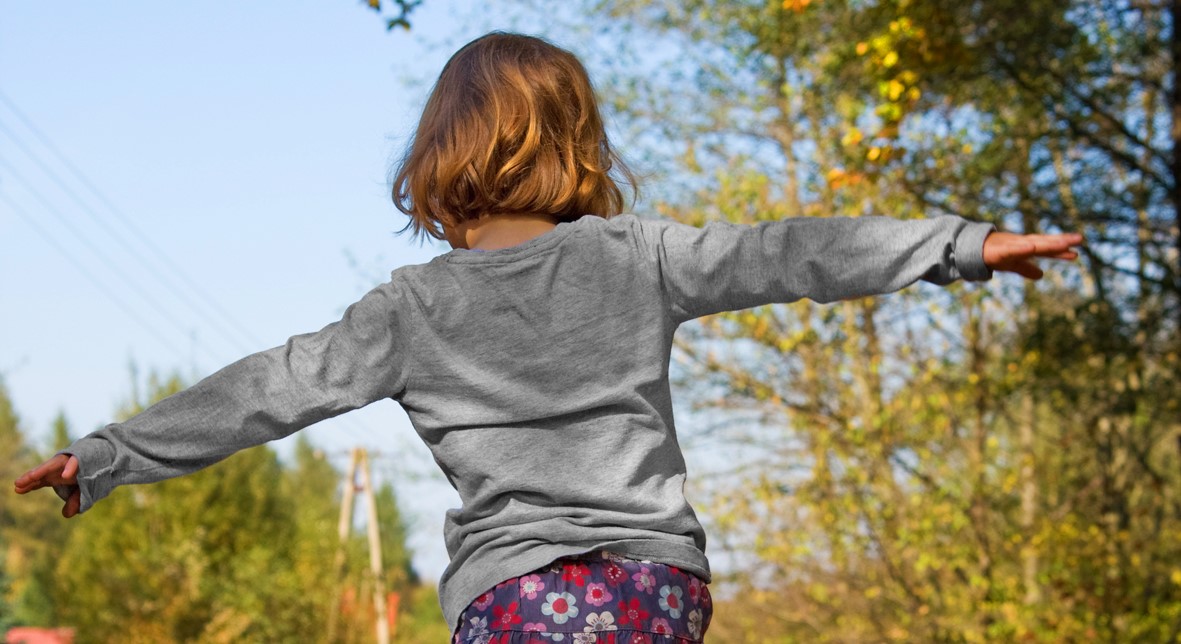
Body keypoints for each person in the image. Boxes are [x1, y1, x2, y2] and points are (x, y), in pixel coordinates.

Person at [13, 31, 1083, 643]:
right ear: (574, 146)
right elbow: (792, 249)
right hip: (660, 592)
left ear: (436, 155)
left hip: (518, 594)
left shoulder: (410, 307)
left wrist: (109, 454)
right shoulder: (639, 254)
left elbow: (268, 387)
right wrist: (961, 242)